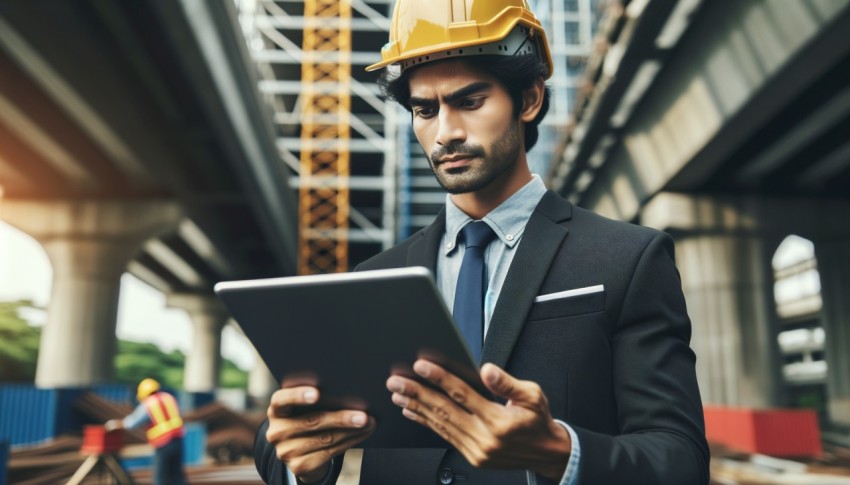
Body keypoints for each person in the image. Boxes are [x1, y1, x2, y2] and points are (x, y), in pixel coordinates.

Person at [255, 0, 710, 483]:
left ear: (530, 99)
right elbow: (290, 440)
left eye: (469, 102)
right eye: (424, 110)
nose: (445, 133)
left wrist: (560, 450)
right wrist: (302, 461)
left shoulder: (627, 259)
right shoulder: (373, 279)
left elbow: (679, 460)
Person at [106, 378, 187, 485]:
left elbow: (132, 423)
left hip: (163, 443)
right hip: (178, 439)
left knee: (161, 478)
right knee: (177, 476)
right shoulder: (169, 397)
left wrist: (115, 424)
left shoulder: (149, 403)